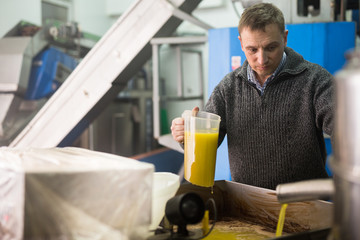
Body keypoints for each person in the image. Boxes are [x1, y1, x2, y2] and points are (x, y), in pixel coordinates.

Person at [170, 3, 334, 190]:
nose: (261, 59)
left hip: (306, 205)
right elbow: (206, 142)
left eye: (270, 47)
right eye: (252, 50)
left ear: (285, 38)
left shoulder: (315, 80)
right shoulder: (228, 88)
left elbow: (345, 130)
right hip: (248, 206)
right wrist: (186, 134)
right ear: (241, 43)